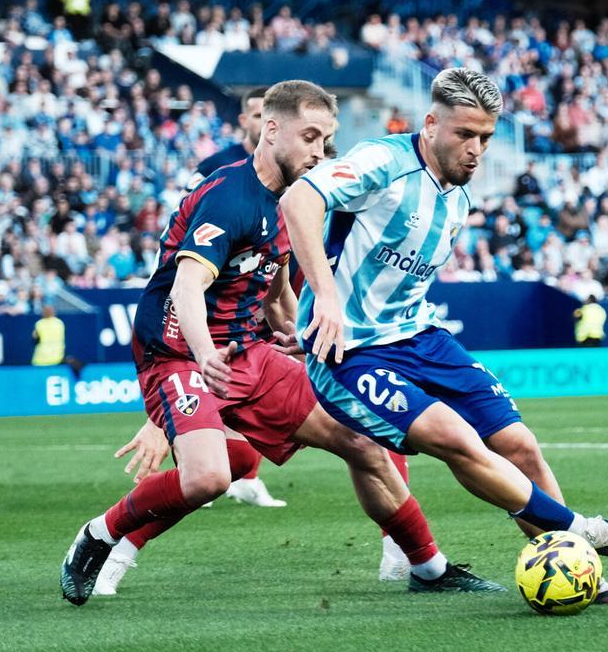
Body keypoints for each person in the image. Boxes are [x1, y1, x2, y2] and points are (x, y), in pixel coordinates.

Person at [59, 81, 510, 606]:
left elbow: (273, 292)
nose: (320, 152)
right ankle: (100, 535)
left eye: (326, 140)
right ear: (271, 130)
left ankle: (426, 567)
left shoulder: (296, 202)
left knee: (362, 440)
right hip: (181, 352)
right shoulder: (229, 196)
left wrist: (302, 337)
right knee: (208, 477)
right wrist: (204, 357)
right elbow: (186, 286)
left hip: (247, 352)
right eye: (310, 137)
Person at [282, 67, 608, 605]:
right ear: (431, 123)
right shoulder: (383, 162)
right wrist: (327, 304)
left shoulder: (458, 197)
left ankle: (583, 578)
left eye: (485, 137)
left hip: (419, 338)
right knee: (455, 437)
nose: (476, 148)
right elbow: (299, 202)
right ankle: (587, 532)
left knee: (519, 445)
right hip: (351, 353)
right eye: (464, 134)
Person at [185, 86, 284, 508]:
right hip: (211, 283)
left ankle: (247, 474)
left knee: (255, 369)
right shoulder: (214, 168)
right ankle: (197, 465)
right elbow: (186, 217)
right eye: (256, 114)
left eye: (269, 114)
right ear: (244, 120)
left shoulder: (286, 168)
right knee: (199, 372)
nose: (263, 121)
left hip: (259, 277)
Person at [188, 87, 267, 189]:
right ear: (243, 120)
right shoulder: (215, 165)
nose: (266, 123)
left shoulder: (287, 168)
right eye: (258, 116)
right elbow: (184, 201)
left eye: (271, 117)